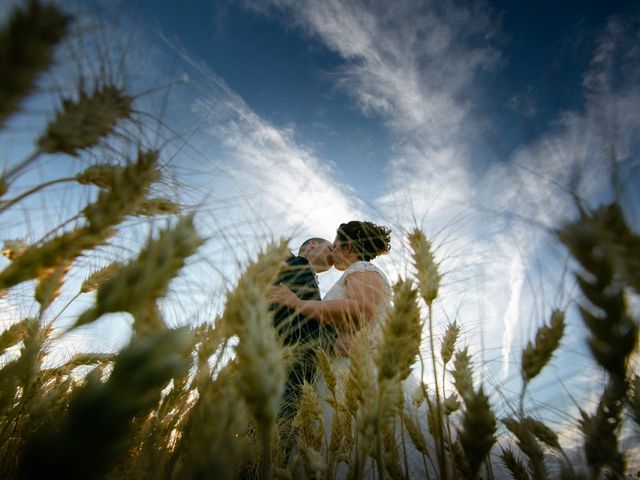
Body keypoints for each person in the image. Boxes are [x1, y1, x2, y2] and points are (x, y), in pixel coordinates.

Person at [267, 221, 397, 476]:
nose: (332, 251)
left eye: (335, 245)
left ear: (347, 246)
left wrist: (298, 303)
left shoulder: (362, 268)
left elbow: (360, 310)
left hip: (346, 372)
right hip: (326, 374)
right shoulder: (302, 267)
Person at [270, 237, 337, 462]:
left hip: (287, 367)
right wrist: (337, 337)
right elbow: (297, 324)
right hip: (288, 368)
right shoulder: (297, 265)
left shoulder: (299, 270)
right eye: (330, 247)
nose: (334, 252)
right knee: (274, 444)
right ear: (311, 246)